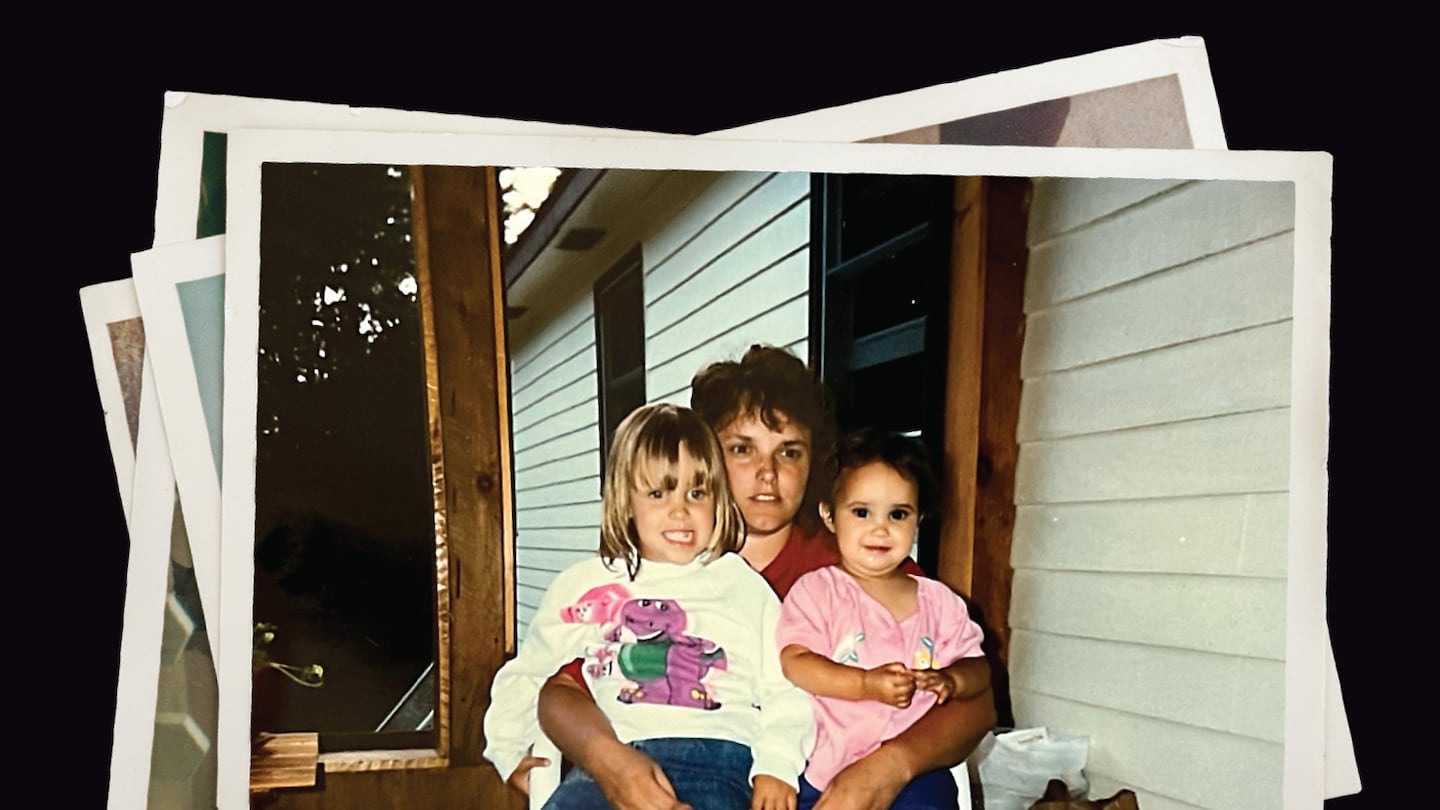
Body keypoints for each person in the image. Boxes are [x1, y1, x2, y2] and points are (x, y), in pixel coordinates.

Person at [536, 345, 998, 810]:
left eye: (789, 452)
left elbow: (976, 703)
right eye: (741, 449)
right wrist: (610, 764)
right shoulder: (662, 569)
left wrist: (887, 769)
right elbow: (562, 689)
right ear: (705, 459)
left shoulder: (859, 562)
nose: (767, 473)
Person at [483, 403, 814, 810]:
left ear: (718, 499)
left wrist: (777, 766)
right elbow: (532, 668)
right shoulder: (588, 585)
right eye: (659, 493)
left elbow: (786, 687)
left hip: (720, 761)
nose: (680, 510)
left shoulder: (741, 584)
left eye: (697, 493)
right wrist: (509, 748)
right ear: (626, 502)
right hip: (614, 762)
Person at [777, 429, 990, 810]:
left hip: (917, 776)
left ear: (919, 517)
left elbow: (979, 670)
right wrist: (864, 684)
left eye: (898, 514)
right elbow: (796, 662)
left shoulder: (939, 602)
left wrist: (952, 680)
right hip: (827, 768)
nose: (880, 528)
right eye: (861, 512)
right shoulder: (817, 592)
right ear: (829, 514)